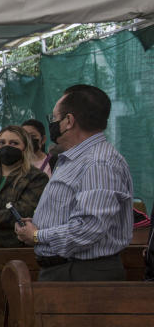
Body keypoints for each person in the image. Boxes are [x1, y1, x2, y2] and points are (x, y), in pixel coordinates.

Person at [15, 85, 134, 281]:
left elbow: (90, 227)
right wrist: (37, 226)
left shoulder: (98, 163)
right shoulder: (75, 159)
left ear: (68, 121)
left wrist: (38, 236)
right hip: (67, 270)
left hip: (81, 274)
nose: (52, 124)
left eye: (53, 119)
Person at [0, 126, 48, 248]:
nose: (6, 147)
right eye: (1, 143)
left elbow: (20, 214)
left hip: (18, 250)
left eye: (14, 143)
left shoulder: (36, 178)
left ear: (25, 148)